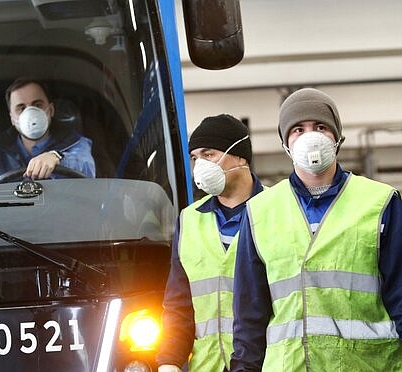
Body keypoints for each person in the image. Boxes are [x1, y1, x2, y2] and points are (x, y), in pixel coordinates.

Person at [230, 88, 402, 371]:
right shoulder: (260, 211)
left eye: (320, 127)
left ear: (337, 138)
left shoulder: (380, 203)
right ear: (286, 143)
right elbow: (249, 315)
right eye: (298, 129)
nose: (310, 136)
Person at [156, 114, 264, 372]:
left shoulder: (277, 211)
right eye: (195, 158)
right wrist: (169, 361)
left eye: (209, 154)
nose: (200, 165)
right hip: (207, 366)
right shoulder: (189, 220)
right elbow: (178, 305)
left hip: (265, 364)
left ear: (240, 157)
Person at [0, 77, 95, 189]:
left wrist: (57, 158)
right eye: (21, 108)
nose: (30, 113)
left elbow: (86, 168)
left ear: (51, 110)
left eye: (37, 105)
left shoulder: (76, 144)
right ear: (12, 118)